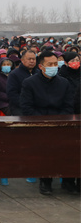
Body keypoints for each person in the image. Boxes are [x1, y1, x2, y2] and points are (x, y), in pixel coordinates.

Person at [20, 51, 75, 195]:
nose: (53, 67)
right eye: (50, 64)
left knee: (71, 146)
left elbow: (68, 106)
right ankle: (45, 181)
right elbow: (27, 107)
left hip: (61, 123)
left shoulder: (64, 83)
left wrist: (58, 121)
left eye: (55, 64)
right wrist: (44, 122)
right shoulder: (29, 83)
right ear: (41, 66)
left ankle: (69, 180)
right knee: (46, 148)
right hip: (40, 124)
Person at [7, 49, 38, 115]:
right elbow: (12, 94)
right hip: (20, 107)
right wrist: (26, 104)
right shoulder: (14, 74)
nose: (32, 61)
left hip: (37, 107)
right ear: (22, 60)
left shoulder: (39, 73)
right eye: (29, 59)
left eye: (34, 59)